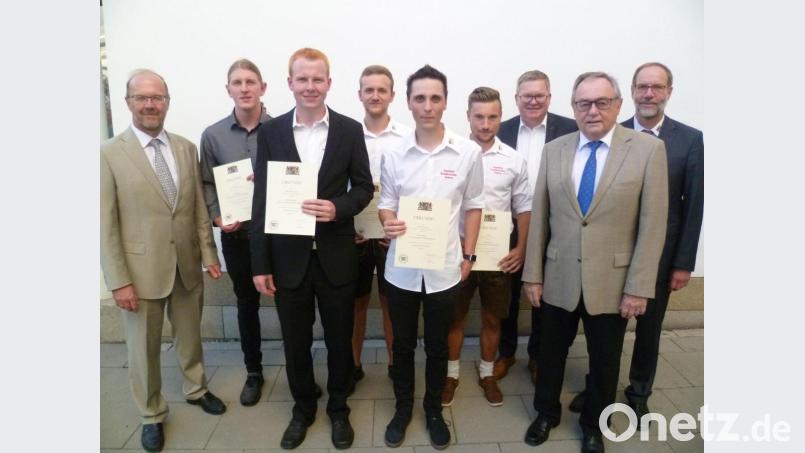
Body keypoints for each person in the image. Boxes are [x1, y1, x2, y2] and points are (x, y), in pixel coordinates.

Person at [521, 72, 668, 453]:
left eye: (602, 102)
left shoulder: (648, 151)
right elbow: (541, 217)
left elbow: (653, 227)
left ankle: (593, 426)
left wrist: (638, 287)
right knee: (550, 353)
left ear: (618, 105)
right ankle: (545, 413)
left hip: (613, 281)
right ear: (572, 108)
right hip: (558, 274)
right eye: (583, 103)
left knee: (604, 361)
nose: (592, 111)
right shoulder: (555, 149)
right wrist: (532, 276)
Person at [249, 48, 373, 450]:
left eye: (317, 79)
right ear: (289, 83)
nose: (310, 86)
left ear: (329, 83)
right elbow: (263, 197)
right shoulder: (272, 132)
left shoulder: (350, 130)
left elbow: (364, 187)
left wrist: (340, 207)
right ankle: (303, 409)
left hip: (337, 256)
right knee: (295, 341)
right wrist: (259, 263)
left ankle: (339, 409)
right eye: (302, 79)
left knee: (339, 340)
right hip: (289, 260)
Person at [568, 63, 704, 424]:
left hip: (660, 258)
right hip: (610, 258)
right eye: (642, 87)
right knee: (603, 331)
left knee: (648, 330)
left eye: (657, 88)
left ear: (669, 92)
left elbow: (693, 206)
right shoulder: (610, 131)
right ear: (630, 92)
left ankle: (638, 391)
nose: (648, 94)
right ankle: (597, 389)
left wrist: (683, 263)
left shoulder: (689, 140)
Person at [101, 69, 226, 453]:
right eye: (142, 98)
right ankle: (151, 414)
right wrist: (118, 280)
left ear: (168, 102)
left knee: (190, 335)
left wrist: (209, 254)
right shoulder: (109, 154)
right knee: (143, 348)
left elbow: (196, 211)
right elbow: (105, 222)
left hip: (186, 263)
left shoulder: (186, 148)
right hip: (140, 273)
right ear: (128, 103)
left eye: (158, 97)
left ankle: (195, 387)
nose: (151, 104)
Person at [378, 65, 484, 450]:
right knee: (402, 345)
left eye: (435, 98)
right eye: (419, 98)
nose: (427, 106)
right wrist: (388, 222)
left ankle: (434, 409)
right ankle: (403, 408)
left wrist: (469, 255)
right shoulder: (393, 153)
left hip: (445, 269)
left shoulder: (467, 152)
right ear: (408, 102)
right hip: (402, 270)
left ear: (445, 102)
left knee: (438, 345)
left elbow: (474, 206)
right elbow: (386, 203)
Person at [442, 87, 531, 408]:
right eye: (479, 116)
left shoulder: (513, 160)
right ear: (467, 116)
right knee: (455, 319)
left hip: (497, 257)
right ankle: (451, 374)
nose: (485, 123)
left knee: (494, 320)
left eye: (492, 116)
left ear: (500, 117)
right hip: (456, 255)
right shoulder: (450, 153)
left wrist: (521, 247)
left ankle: (486, 372)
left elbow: (523, 207)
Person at [494, 70, 578, 384]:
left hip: (553, 226)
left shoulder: (570, 130)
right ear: (516, 99)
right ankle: (505, 352)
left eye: (539, 95)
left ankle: (538, 356)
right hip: (507, 227)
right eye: (526, 95)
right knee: (507, 295)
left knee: (545, 295)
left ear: (549, 97)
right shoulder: (499, 131)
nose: (532, 100)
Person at [199, 58, 271, 406]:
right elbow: (207, 183)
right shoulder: (212, 136)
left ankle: (299, 373)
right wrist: (216, 218)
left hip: (277, 235)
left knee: (292, 302)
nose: (244, 88)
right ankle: (254, 371)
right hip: (237, 235)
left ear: (263, 88)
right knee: (247, 302)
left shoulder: (282, 129)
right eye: (237, 82)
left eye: (250, 81)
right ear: (228, 89)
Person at [351, 65, 412, 384]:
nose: (375, 95)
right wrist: (349, 226)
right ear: (359, 94)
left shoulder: (406, 137)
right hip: (356, 235)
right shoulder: (347, 133)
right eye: (368, 89)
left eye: (381, 90)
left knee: (393, 303)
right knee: (356, 303)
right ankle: (354, 366)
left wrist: (398, 227)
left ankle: (395, 365)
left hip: (393, 234)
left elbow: (412, 186)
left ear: (392, 95)